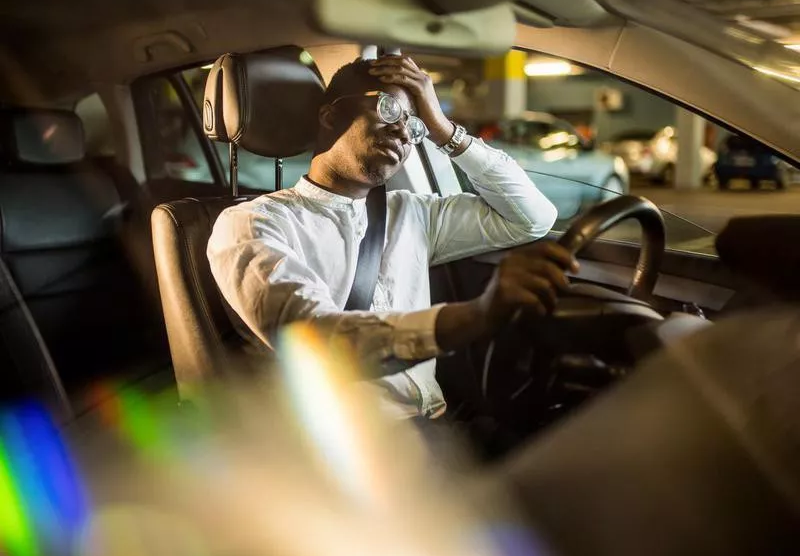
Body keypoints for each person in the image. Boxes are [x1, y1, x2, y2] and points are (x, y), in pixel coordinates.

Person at [207, 54, 576, 424]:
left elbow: (533, 217)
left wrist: (444, 130)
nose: (404, 132)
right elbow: (318, 340)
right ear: (330, 116)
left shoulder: (412, 213)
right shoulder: (251, 224)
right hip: (350, 445)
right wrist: (476, 314)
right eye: (388, 109)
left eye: (415, 127)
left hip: (436, 423)